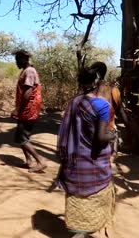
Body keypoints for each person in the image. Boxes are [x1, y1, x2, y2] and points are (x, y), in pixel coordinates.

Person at [56, 66, 116, 238]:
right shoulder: (101, 106)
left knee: (78, 203)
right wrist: (112, 136)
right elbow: (100, 138)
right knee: (95, 203)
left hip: (74, 164)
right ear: (97, 82)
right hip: (93, 166)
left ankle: (80, 231)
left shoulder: (74, 102)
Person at [12, 49, 47, 173]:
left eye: (17, 59)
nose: (16, 62)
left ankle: (40, 161)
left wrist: (17, 109)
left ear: (23, 59)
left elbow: (27, 92)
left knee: (22, 137)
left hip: (29, 109)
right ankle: (28, 160)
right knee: (20, 135)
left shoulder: (30, 71)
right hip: (26, 109)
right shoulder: (26, 71)